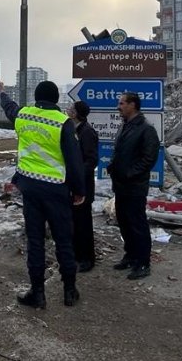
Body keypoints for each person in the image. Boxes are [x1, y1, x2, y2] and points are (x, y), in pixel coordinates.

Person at [0, 80, 86, 308]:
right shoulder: (63, 123)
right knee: (64, 241)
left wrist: (1, 93)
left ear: (37, 97)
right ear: (56, 99)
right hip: (56, 190)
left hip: (30, 189)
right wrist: (79, 190)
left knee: (35, 242)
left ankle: (37, 293)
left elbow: (10, 108)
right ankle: (69, 291)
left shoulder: (24, 115)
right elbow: (74, 161)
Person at [106, 91, 160, 280]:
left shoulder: (146, 129)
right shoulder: (125, 126)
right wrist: (113, 165)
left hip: (135, 186)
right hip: (120, 185)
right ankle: (130, 256)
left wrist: (130, 173)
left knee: (137, 224)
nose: (118, 107)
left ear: (133, 105)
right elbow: (119, 150)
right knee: (124, 222)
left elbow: (149, 158)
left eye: (121, 103)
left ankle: (143, 263)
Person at [67, 100, 98, 273]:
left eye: (71, 109)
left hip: (83, 187)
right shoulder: (73, 130)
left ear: (76, 113)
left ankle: (87, 259)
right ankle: (77, 255)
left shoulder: (87, 132)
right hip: (73, 185)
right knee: (75, 223)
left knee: (84, 224)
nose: (68, 110)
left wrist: (77, 174)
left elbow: (91, 160)